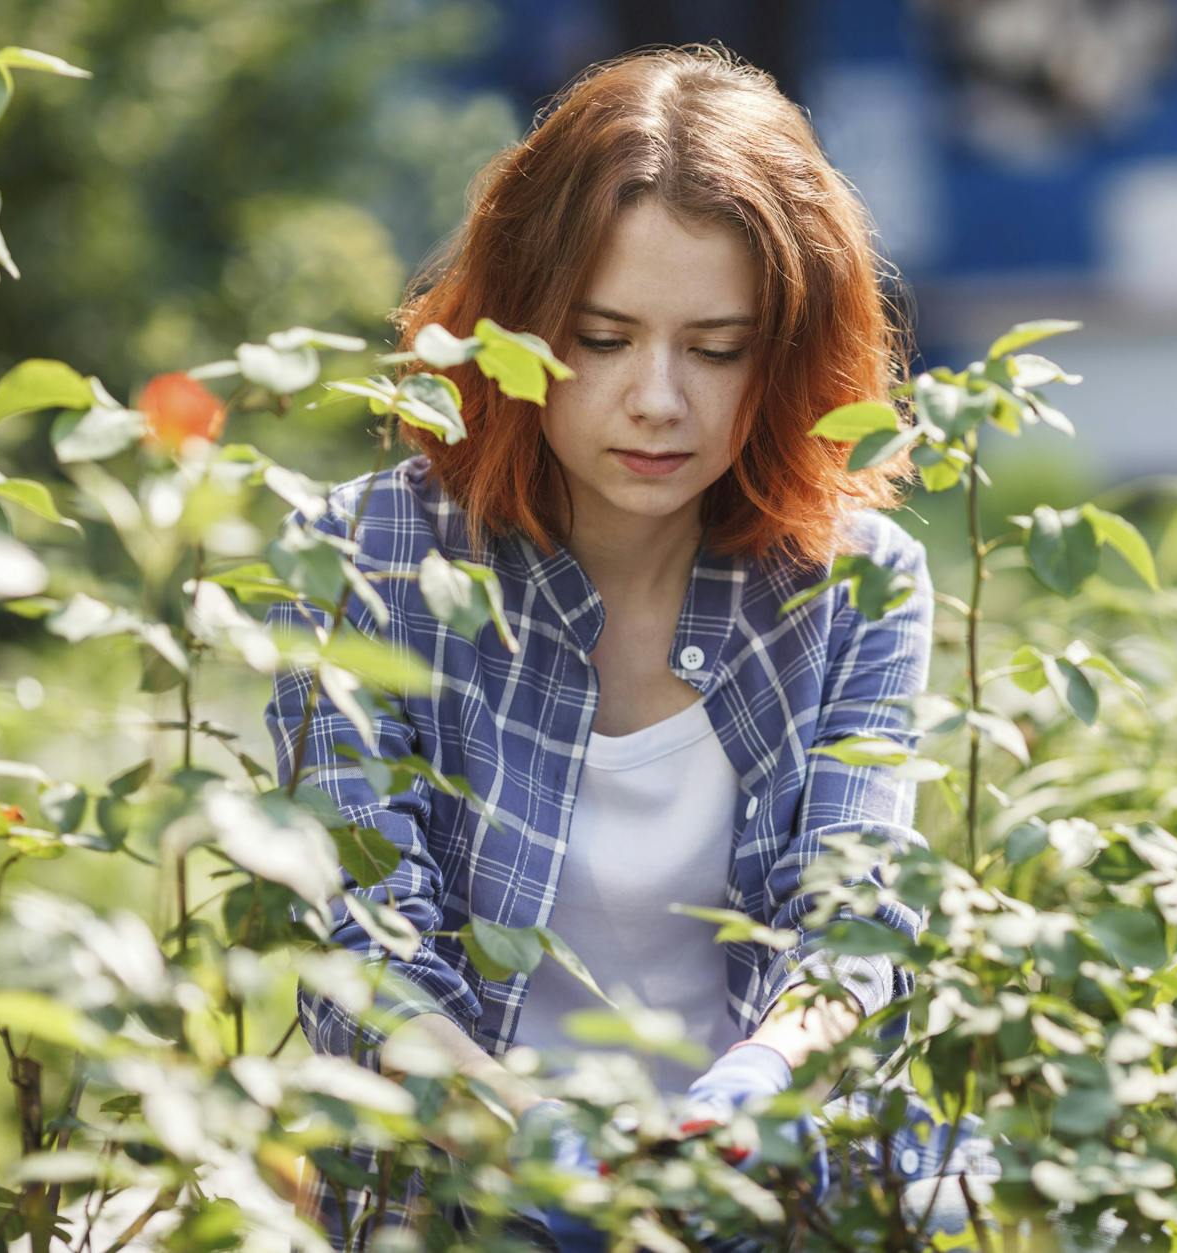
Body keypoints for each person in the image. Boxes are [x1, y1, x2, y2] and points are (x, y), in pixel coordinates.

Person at [263, 41, 997, 1252]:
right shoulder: (360, 561)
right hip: (460, 1201)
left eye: (716, 348)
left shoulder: (854, 582)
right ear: (515, 325)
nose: (658, 398)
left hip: (768, 1198)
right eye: (601, 339)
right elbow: (357, 946)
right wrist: (522, 1139)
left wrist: (750, 1099)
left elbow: (854, 920)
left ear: (789, 354)